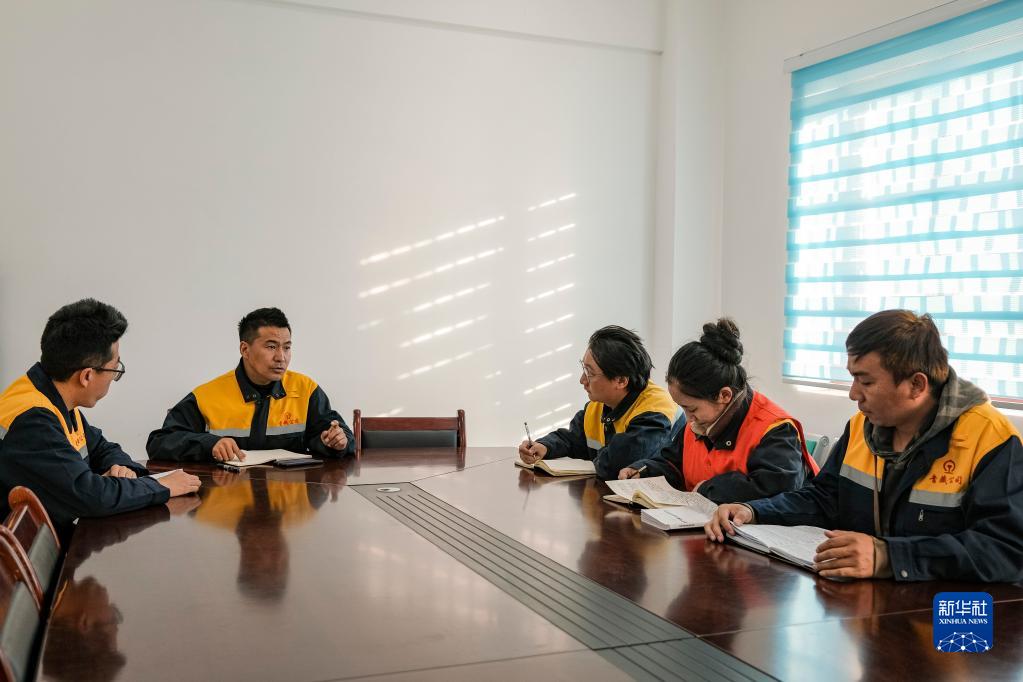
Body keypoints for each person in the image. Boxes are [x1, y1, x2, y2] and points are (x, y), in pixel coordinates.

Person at [705, 310, 1023, 582]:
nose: (853, 393)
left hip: (957, 617)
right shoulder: (863, 426)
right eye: (853, 378)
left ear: (917, 385)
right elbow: (824, 498)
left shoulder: (989, 438)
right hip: (873, 607)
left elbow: (1006, 550)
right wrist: (754, 511)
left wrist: (888, 557)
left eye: (866, 381)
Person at [0, 299, 201, 538]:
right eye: (115, 369)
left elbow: (102, 448)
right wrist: (161, 486)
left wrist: (125, 469)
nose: (114, 377)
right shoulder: (33, 419)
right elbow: (90, 496)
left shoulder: (52, 396)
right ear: (86, 376)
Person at [620, 318, 818, 503]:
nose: (688, 419)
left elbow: (775, 490)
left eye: (691, 408)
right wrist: (643, 471)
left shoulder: (775, 430)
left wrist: (709, 490)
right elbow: (672, 463)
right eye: (682, 408)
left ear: (724, 395)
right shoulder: (702, 421)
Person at [147, 307, 353, 462]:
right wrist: (210, 444)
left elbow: (338, 435)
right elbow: (159, 443)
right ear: (245, 349)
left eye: (287, 347)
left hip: (290, 498)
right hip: (226, 497)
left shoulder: (305, 389)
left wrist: (335, 442)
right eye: (271, 347)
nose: (281, 357)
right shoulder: (207, 395)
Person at [518, 325, 680, 479]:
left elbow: (615, 465)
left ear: (621, 380)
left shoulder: (655, 412)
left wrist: (598, 459)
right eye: (584, 369)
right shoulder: (601, 403)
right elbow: (574, 439)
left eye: (590, 373)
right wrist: (545, 446)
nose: (582, 380)